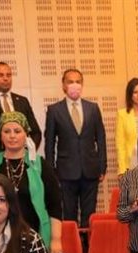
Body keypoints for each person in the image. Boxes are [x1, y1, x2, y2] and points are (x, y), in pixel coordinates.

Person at [0, 111, 63, 253]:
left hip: (36, 235)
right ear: (1, 136)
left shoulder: (40, 164)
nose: (12, 136)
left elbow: (55, 205)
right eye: (7, 131)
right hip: (1, 239)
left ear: (26, 134)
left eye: (17, 131)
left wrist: (56, 239)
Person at [45, 68, 107, 229]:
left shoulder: (93, 108)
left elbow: (101, 139)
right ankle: (71, 245)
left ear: (82, 85)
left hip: (90, 170)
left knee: (89, 216)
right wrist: (51, 172)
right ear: (63, 85)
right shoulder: (54, 110)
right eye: (70, 81)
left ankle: (88, 244)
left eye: (78, 81)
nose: (74, 85)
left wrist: (102, 167)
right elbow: (49, 143)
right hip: (66, 172)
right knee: (69, 215)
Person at [116, 77, 138, 176]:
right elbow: (120, 145)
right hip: (131, 165)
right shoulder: (122, 114)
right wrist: (122, 170)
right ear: (130, 94)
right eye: (135, 92)